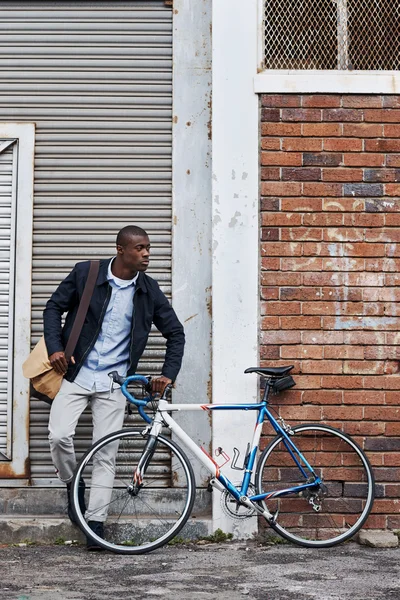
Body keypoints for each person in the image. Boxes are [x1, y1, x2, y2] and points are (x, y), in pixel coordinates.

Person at [43, 225, 185, 550]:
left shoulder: (148, 290)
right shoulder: (87, 273)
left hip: (113, 382)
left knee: (106, 453)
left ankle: (95, 526)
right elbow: (53, 308)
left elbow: (175, 333)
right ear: (121, 249)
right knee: (59, 436)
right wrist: (55, 348)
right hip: (76, 374)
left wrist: (167, 374)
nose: (146, 253)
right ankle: (71, 483)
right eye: (140, 248)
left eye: (148, 248)